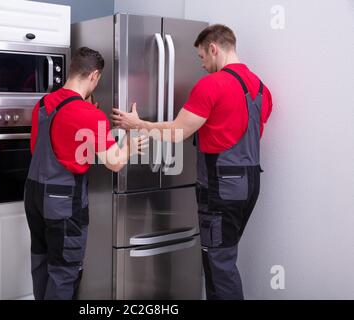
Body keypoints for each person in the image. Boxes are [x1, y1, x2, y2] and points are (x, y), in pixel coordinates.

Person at [112, 24, 273, 300]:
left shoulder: (212, 84)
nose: (202, 65)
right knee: (221, 259)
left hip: (220, 188)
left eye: (201, 58)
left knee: (219, 266)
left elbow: (177, 133)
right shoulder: (261, 88)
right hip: (249, 184)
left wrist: (138, 124)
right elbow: (247, 132)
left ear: (213, 48)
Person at [24, 47, 147, 300]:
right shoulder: (90, 115)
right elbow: (114, 163)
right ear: (94, 76)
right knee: (64, 273)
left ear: (72, 70)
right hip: (63, 202)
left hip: (34, 194)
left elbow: (39, 147)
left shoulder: (43, 104)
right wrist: (131, 147)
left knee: (42, 265)